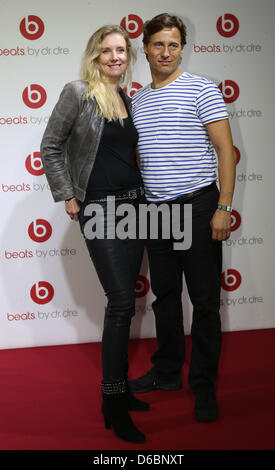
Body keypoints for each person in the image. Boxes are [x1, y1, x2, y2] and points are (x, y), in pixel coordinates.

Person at [40, 25, 148, 443]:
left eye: (121, 50)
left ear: (128, 56)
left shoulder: (127, 98)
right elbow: (51, 145)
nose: (115, 57)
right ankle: (113, 400)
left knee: (126, 305)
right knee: (120, 301)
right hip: (99, 208)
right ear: (94, 54)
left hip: (136, 205)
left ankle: (118, 392)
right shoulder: (78, 91)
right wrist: (68, 194)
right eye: (107, 51)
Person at [129, 13, 236, 422]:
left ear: (182, 48)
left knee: (205, 302)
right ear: (146, 49)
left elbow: (225, 150)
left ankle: (204, 385)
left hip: (198, 207)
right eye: (159, 44)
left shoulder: (201, 89)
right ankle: (169, 371)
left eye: (174, 45)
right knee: (166, 297)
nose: (166, 52)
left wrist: (224, 207)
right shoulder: (137, 99)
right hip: (156, 212)